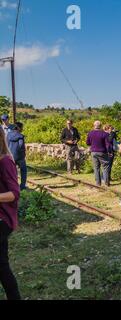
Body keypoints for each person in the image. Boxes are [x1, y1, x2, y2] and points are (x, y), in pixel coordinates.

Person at [0, 128, 21, 300]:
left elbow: (14, 193)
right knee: (2, 265)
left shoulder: (5, 161)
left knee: (2, 267)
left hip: (2, 220)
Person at [86, 121, 113, 187]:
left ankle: (98, 183)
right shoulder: (104, 134)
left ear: (94, 125)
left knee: (96, 168)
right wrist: (110, 152)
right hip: (102, 152)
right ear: (100, 126)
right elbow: (108, 145)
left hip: (93, 152)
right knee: (105, 167)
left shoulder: (90, 133)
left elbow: (87, 143)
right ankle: (106, 183)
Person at [7, 122, 27, 190]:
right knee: (23, 170)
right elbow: (21, 146)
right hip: (19, 157)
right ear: (18, 128)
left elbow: (6, 144)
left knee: (12, 172)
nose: (22, 129)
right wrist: (23, 154)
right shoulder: (20, 136)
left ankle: (12, 185)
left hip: (10, 156)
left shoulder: (8, 135)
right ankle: (22, 186)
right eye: (21, 127)